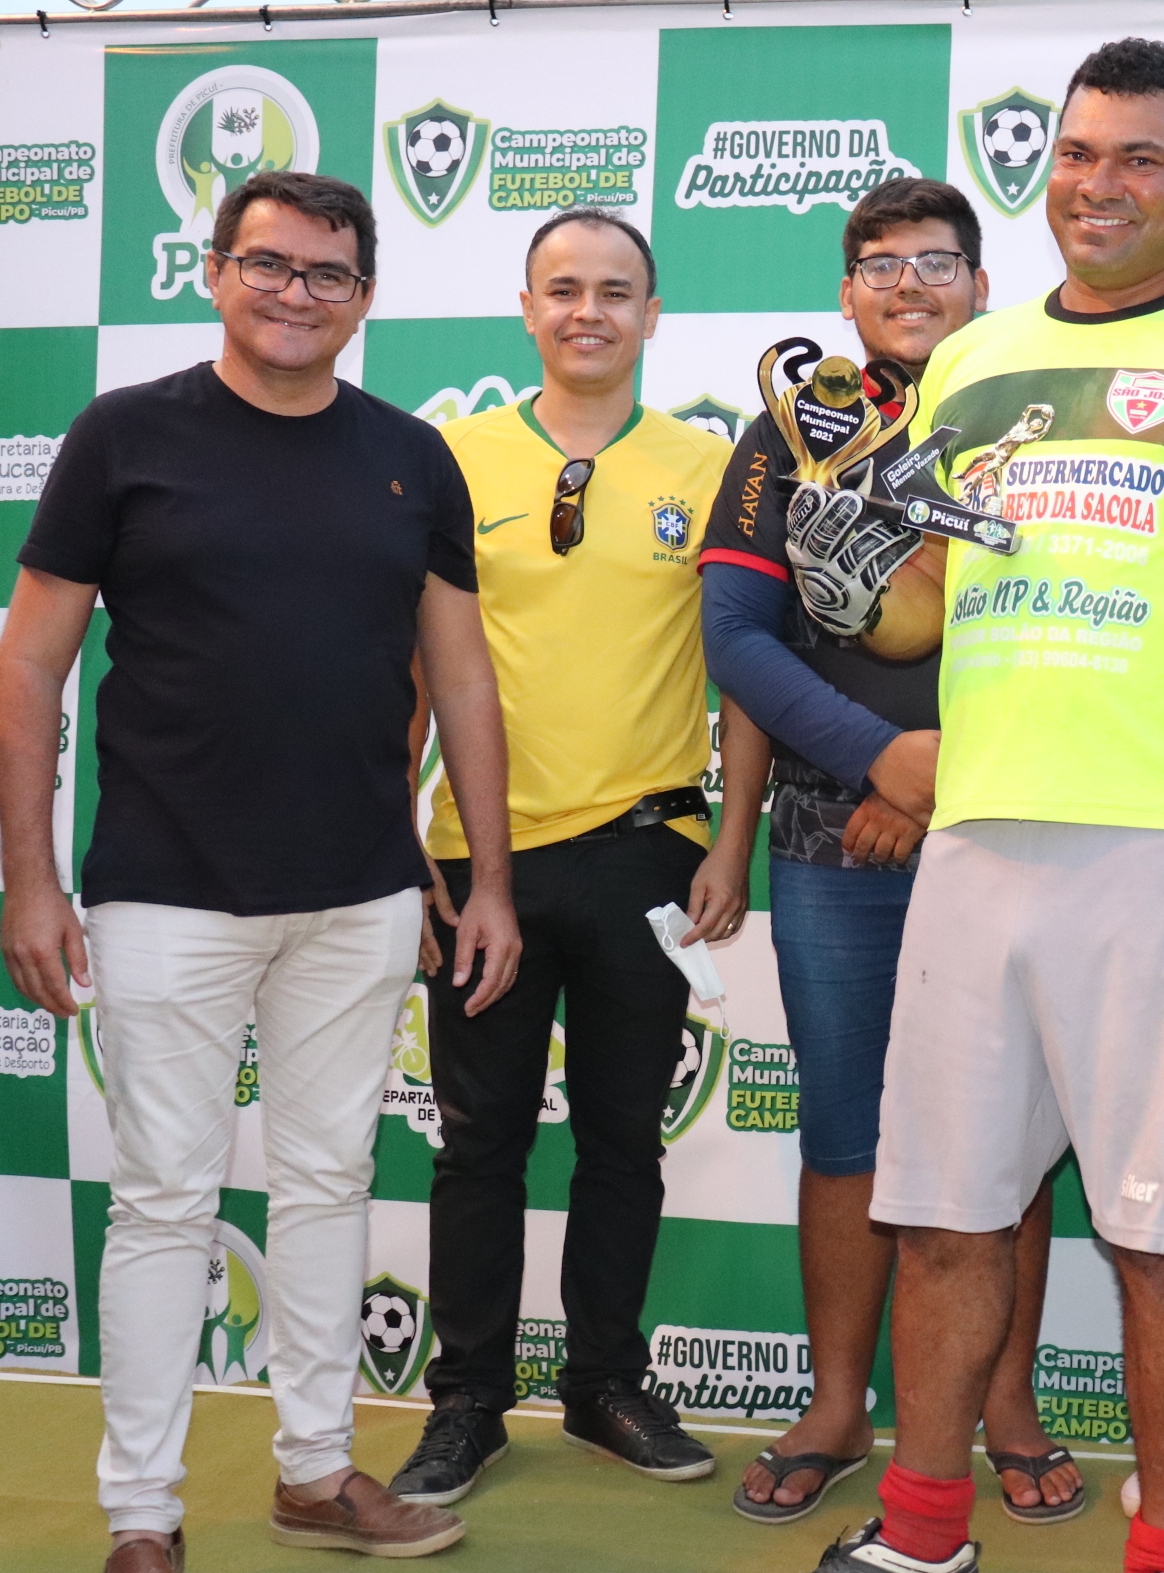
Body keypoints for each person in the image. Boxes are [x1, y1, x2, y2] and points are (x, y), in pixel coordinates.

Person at [795, 35, 1164, 1573]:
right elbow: (924, 607)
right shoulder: (974, 358)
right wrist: (853, 591)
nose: (1098, 184)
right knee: (945, 1214)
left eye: (1138, 158)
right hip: (980, 830)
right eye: (1075, 154)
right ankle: (924, 1534)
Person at [0, 170, 521, 1573]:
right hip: (165, 888)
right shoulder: (123, 436)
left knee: (329, 1184)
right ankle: (141, 1513)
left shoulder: (414, 456)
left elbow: (465, 680)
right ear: (215, 271)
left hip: (362, 891)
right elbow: (29, 669)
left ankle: (316, 1472)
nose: (296, 293)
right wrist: (30, 882)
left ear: (366, 296)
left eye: (327, 273)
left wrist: (488, 878)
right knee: (164, 1200)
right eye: (270, 265)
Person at [693, 177, 1085, 1527]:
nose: (909, 283)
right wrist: (877, 759)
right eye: (880, 264)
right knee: (847, 1130)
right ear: (846, 292)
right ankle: (836, 1405)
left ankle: (1006, 1406)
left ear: (983, 282)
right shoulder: (786, 432)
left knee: (1012, 1138)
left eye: (936, 260)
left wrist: (935, 785)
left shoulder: (1037, 420)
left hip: (1007, 821)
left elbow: (1077, 630)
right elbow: (734, 640)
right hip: (830, 838)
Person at [382, 209, 730, 1507]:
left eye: (616, 291)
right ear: (526, 307)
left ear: (653, 314)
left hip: (648, 857)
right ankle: (467, 1400)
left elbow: (743, 665)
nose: (590, 311)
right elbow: (412, 665)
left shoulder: (710, 466)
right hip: (485, 864)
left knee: (623, 1141)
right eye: (565, 289)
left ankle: (604, 1384)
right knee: (477, 1145)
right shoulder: (450, 458)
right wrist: (402, 839)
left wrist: (732, 837)